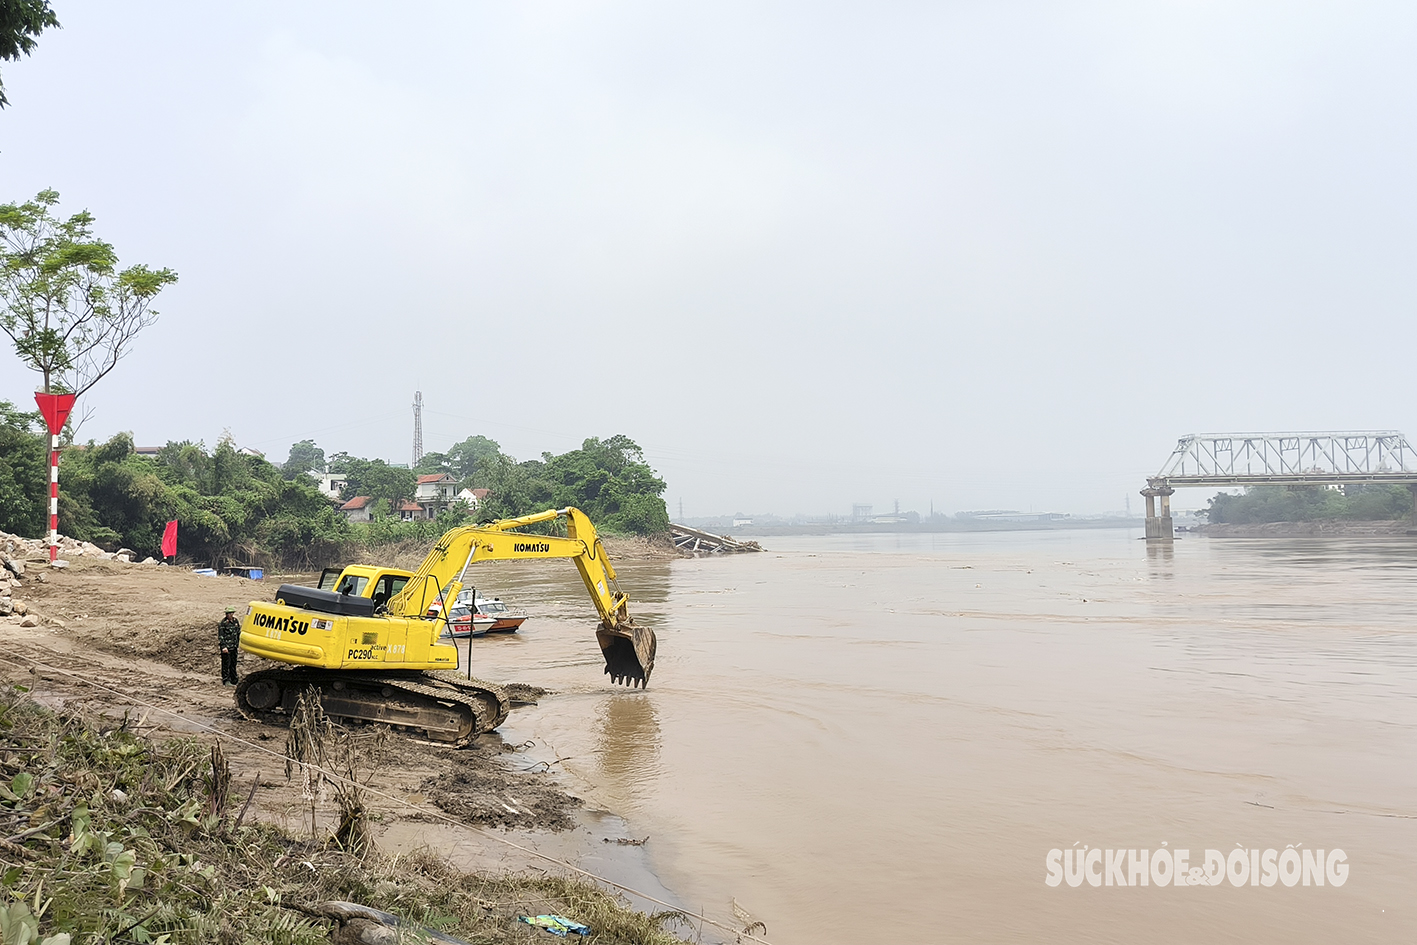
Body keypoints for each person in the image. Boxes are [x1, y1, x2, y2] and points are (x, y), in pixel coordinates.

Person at [218, 606, 242, 685]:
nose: (230, 615)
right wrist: (223, 647)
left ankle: (234, 679)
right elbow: (221, 636)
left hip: (234, 646)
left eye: (231, 613)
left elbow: (238, 633)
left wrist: (238, 644)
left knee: (233, 663)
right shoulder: (223, 623)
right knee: (226, 664)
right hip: (227, 647)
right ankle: (226, 680)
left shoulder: (235, 621)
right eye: (228, 613)